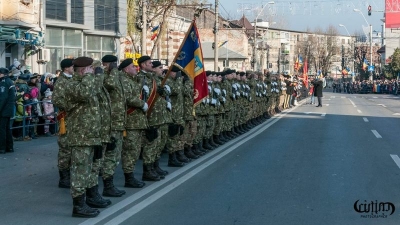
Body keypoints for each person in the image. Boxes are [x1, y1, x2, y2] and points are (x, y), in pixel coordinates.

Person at [53, 56, 105, 218]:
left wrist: (97, 75)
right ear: (83, 70)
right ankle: (78, 206)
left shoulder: (85, 82)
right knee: (80, 170)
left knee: (87, 169)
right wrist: (90, 76)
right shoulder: (72, 84)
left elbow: (95, 89)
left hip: (90, 134)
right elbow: (84, 93)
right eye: (90, 68)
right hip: (80, 136)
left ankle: (87, 200)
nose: (92, 71)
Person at [100, 55, 128, 197]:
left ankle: (109, 184)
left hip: (118, 121)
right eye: (113, 64)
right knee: (110, 155)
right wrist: (113, 71)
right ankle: (107, 186)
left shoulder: (116, 75)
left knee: (115, 155)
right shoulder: (104, 76)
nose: (115, 66)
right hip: (110, 122)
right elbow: (110, 84)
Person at [119, 58, 148, 188]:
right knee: (130, 150)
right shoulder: (124, 80)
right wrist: (142, 104)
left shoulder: (132, 79)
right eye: (132, 67)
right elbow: (128, 98)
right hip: (130, 121)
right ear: (126, 69)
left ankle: (131, 176)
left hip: (137, 121)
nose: (135, 69)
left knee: (135, 150)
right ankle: (128, 178)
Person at [53, 58, 74, 189]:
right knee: (65, 149)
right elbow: (57, 100)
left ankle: (70, 174)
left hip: (73, 119)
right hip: (65, 119)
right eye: (72, 66)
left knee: (71, 148)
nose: (74, 68)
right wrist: (72, 106)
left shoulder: (71, 80)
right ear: (67, 68)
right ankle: (64, 178)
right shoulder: (61, 81)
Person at [0, 68, 16, 154]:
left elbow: (2, 98)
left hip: (4, 109)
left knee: (2, 129)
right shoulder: (10, 81)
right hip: (9, 108)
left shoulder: (4, 83)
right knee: (7, 128)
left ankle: (2, 147)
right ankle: (9, 147)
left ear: (2, 74)